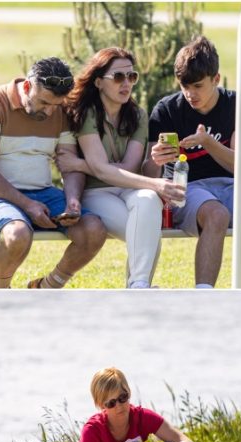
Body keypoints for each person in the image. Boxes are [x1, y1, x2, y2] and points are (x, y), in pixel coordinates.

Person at [144, 36, 241, 288]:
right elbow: (148, 172)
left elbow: (238, 166)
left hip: (232, 184)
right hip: (187, 188)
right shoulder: (166, 109)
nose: (190, 94)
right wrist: (156, 158)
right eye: (184, 86)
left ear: (216, 79)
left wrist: (208, 142)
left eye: (197, 86)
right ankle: (205, 298)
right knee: (217, 214)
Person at [0, 57, 108, 288]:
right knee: (17, 234)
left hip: (44, 192)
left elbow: (69, 164)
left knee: (94, 230)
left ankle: (48, 286)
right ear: (26, 87)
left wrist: (72, 200)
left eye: (56, 104)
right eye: (44, 102)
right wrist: (27, 205)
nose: (51, 111)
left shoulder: (59, 110)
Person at [60, 47, 187, 288]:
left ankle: (137, 285)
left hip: (127, 187)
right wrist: (155, 183)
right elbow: (101, 171)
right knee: (148, 232)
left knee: (149, 200)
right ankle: (139, 286)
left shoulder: (138, 115)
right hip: (95, 193)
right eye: (118, 77)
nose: (126, 83)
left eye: (132, 76)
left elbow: (128, 167)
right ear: (98, 82)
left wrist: (82, 164)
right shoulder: (86, 113)